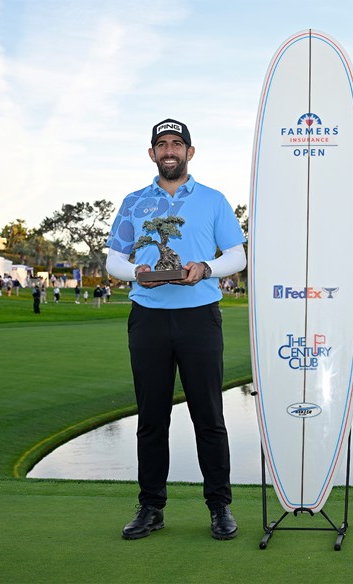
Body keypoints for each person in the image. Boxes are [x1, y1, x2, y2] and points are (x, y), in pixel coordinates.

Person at [106, 118, 246, 541]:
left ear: (190, 152)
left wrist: (205, 267)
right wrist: (136, 271)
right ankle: (151, 507)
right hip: (148, 318)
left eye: (177, 144)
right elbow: (113, 262)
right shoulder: (134, 202)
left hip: (199, 317)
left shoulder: (213, 199)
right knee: (151, 418)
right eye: (161, 145)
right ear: (152, 153)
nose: (170, 151)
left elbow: (237, 255)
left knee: (209, 415)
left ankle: (219, 506)